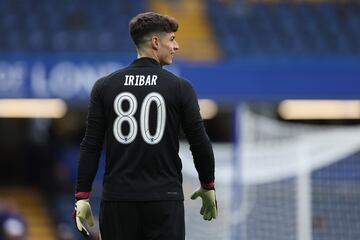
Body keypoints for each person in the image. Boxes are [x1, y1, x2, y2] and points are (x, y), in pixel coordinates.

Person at [73, 12, 217, 240]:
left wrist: (82, 195)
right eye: (172, 39)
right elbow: (199, 143)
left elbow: (91, 145)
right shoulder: (180, 87)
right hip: (165, 199)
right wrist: (208, 184)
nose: (176, 46)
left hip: (118, 201)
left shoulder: (104, 86)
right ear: (155, 42)